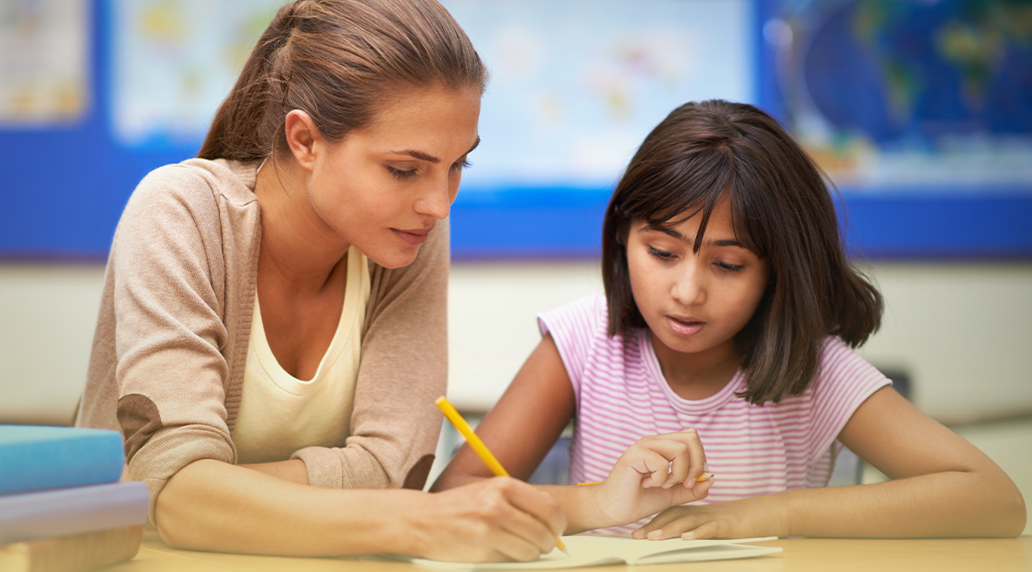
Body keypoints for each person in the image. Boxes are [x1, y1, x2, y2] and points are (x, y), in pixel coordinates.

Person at [76, 0, 566, 562]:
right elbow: (179, 498)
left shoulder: (408, 232)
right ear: (305, 140)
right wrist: (412, 521)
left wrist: (208, 492)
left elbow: (394, 472)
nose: (439, 204)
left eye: (458, 165)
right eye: (404, 170)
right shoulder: (179, 211)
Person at [432, 100, 1027, 540]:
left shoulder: (813, 371)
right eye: (661, 254)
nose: (687, 292)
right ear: (621, 237)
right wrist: (594, 506)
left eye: (729, 264)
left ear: (778, 269)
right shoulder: (585, 340)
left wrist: (766, 513)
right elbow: (454, 498)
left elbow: (994, 500)